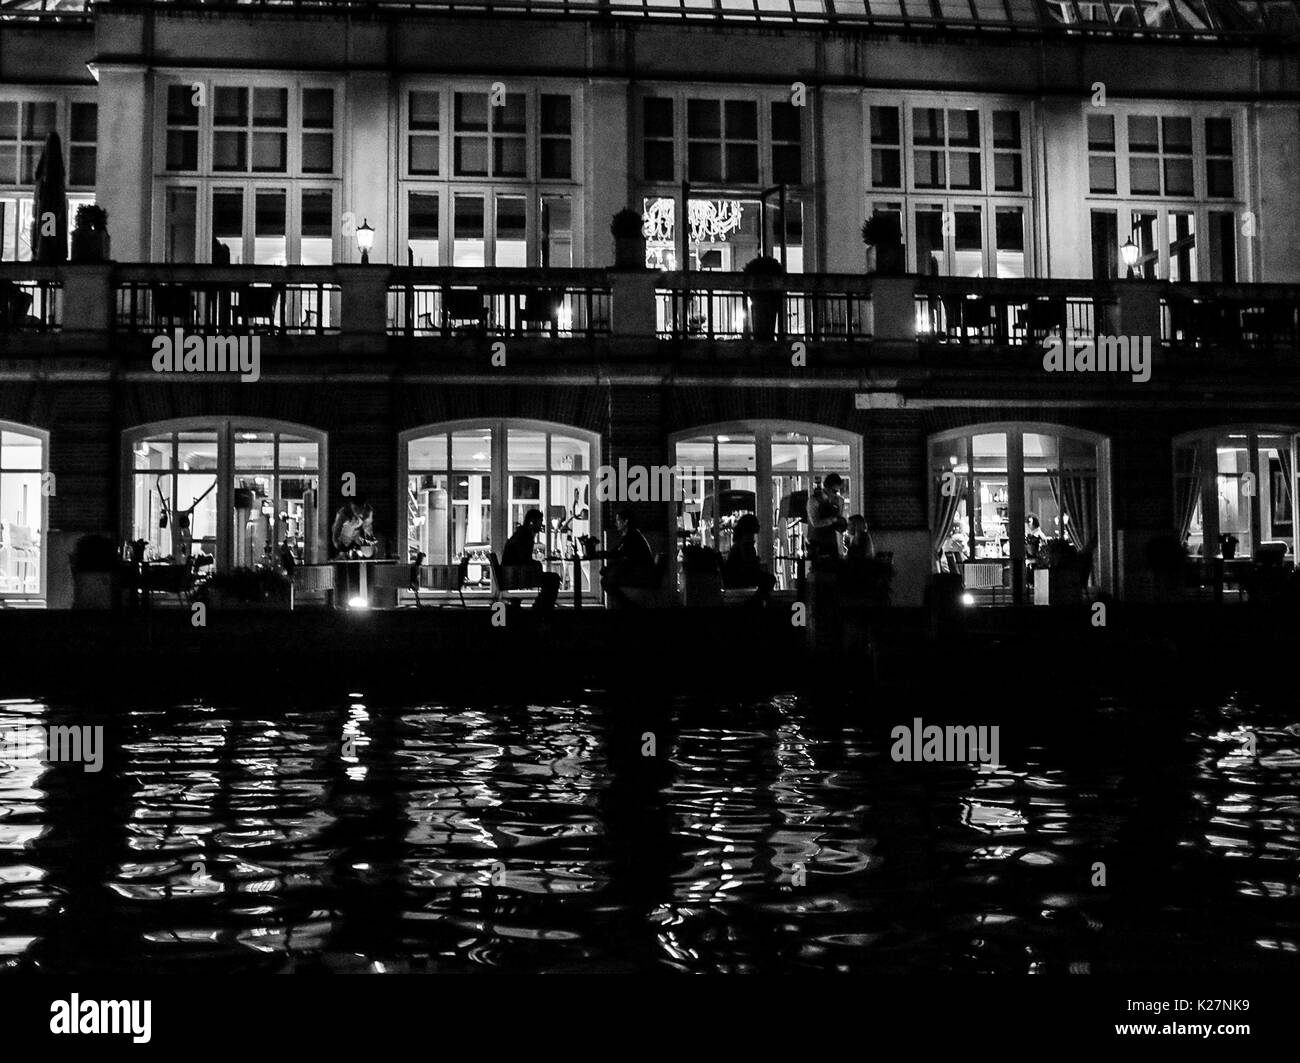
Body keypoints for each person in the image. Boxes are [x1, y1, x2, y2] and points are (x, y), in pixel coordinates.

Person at [584, 507, 657, 607]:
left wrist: (598, 555)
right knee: (608, 578)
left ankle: (627, 606)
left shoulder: (631, 536)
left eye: (618, 520)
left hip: (641, 574)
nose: (616, 523)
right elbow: (617, 552)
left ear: (626, 521)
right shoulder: (632, 534)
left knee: (606, 581)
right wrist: (601, 555)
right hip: (641, 572)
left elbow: (617, 553)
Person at [501, 508, 560, 610]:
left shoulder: (521, 533)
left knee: (550, 579)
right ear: (532, 522)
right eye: (540, 521)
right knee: (553, 579)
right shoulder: (526, 536)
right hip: (516, 575)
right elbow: (523, 559)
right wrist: (537, 564)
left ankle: (540, 606)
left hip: (510, 573)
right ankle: (542, 608)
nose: (541, 524)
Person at [722, 512, 776, 605]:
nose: (759, 526)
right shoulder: (746, 542)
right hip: (740, 576)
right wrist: (756, 561)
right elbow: (748, 562)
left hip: (736, 576)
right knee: (770, 579)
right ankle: (754, 602)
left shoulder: (740, 541)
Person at [806, 473, 847, 568]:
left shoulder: (839, 501)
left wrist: (841, 524)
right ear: (826, 488)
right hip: (816, 542)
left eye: (837, 491)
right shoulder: (814, 500)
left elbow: (838, 522)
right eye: (834, 491)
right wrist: (832, 520)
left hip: (832, 542)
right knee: (818, 569)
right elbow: (815, 523)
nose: (836, 494)